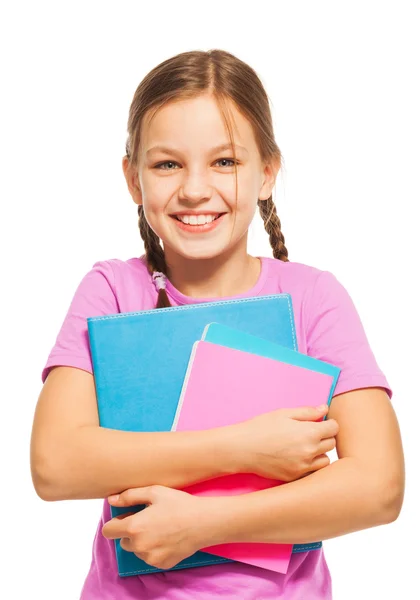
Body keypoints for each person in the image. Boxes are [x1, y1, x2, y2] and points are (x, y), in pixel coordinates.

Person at [30, 49, 405, 599]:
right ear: (133, 179)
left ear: (267, 173)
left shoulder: (312, 297)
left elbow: (379, 487)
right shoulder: (112, 290)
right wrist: (243, 448)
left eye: (224, 162)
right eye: (167, 164)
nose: (194, 189)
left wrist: (203, 524)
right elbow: (55, 463)